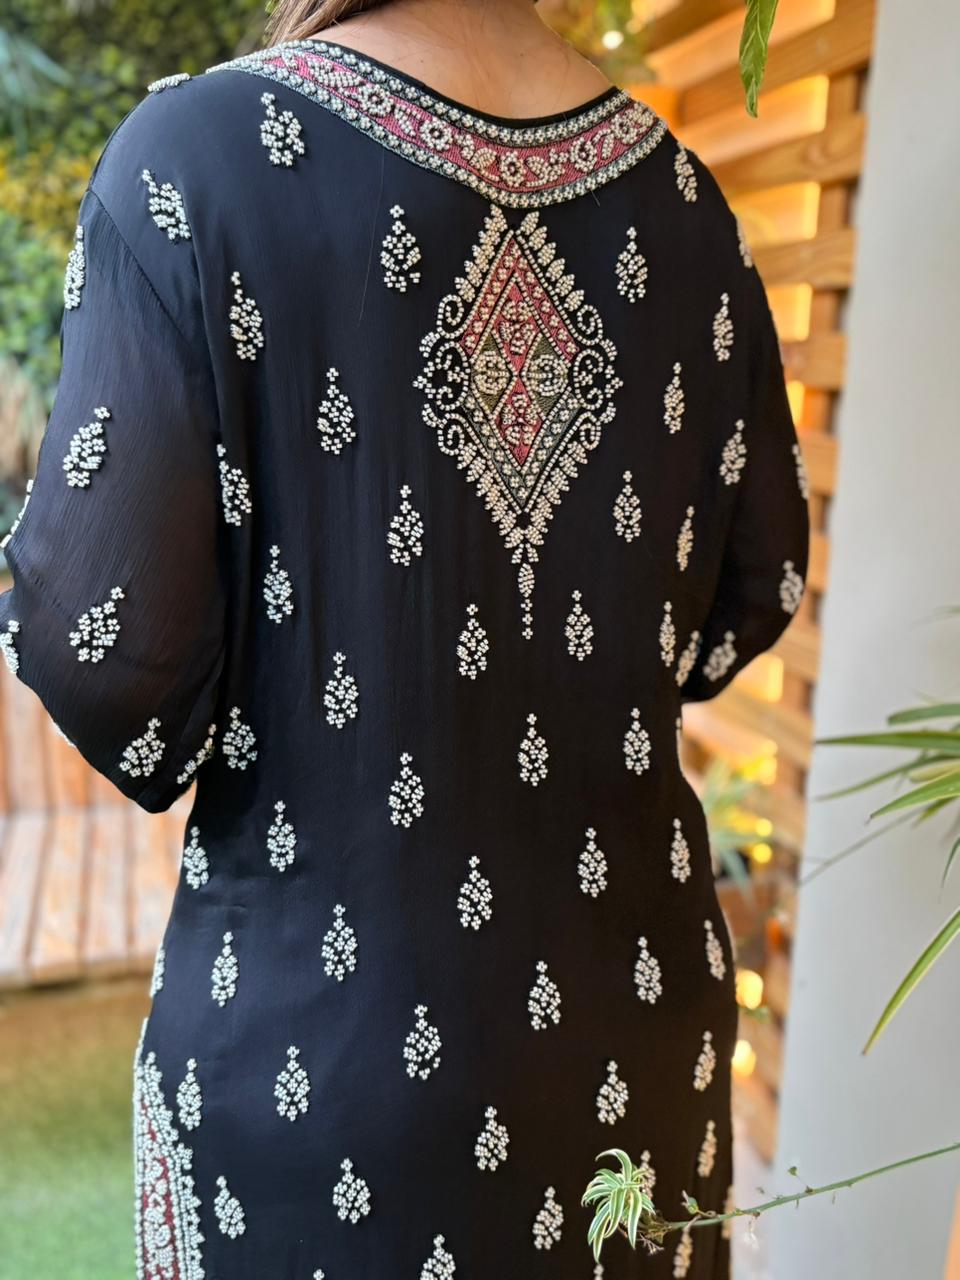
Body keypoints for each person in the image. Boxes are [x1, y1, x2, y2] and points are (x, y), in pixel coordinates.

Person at [0, 0, 810, 1275]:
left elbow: (107, 655)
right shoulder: (687, 207)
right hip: (633, 1050)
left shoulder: (195, 166)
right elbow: (750, 592)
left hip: (321, 1070)